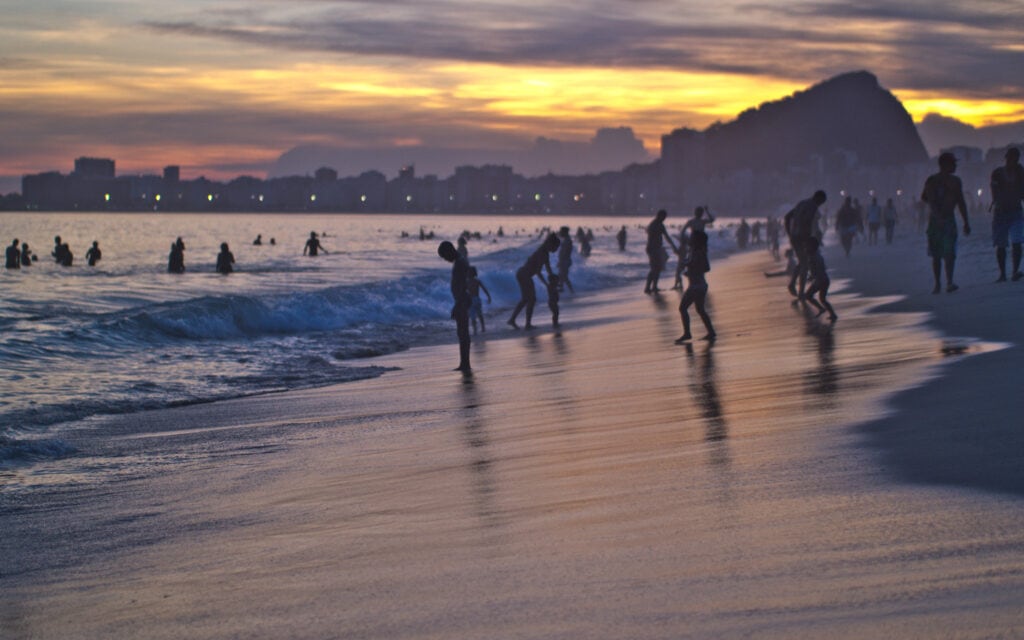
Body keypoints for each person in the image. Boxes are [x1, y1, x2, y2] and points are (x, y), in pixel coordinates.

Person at [921, 152, 971, 293]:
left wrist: (966, 221)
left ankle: (947, 282)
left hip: (944, 220)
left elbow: (961, 202)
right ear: (944, 165)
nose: (955, 165)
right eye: (953, 163)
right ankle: (939, 283)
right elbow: (928, 199)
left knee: (948, 253)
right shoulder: (933, 181)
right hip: (940, 221)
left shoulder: (954, 181)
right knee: (937, 254)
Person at [508, 232, 560, 329]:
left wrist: (552, 278)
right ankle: (527, 324)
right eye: (555, 247)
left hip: (522, 274)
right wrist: (546, 284)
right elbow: (538, 272)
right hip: (524, 275)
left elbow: (548, 269)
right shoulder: (542, 253)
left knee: (525, 299)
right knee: (531, 299)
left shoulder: (545, 252)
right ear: (550, 244)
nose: (555, 250)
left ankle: (512, 319)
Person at [784, 190, 827, 299]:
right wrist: (808, 239)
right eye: (821, 202)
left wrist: (789, 233)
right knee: (805, 264)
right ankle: (800, 292)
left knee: (803, 261)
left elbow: (787, 217)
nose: (820, 205)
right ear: (818, 198)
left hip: (794, 236)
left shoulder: (802, 203)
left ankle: (793, 284)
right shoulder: (813, 206)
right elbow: (806, 222)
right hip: (802, 238)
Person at [989, 147, 1024, 282]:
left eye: (1015, 158)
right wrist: (998, 201)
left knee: (1017, 242)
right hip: (1001, 213)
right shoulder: (997, 173)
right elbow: (994, 190)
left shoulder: (1020, 173)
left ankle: (1015, 271)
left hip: (1016, 212)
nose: (1013, 161)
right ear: (1006, 158)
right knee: (1001, 245)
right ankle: (1002, 274)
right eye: (1011, 158)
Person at [675, 229, 715, 343]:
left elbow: (705, 268)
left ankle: (687, 333)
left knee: (683, 308)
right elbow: (703, 267)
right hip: (700, 285)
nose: (689, 238)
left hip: (696, 286)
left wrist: (691, 269)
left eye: (691, 237)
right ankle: (711, 331)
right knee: (700, 310)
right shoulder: (695, 250)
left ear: (696, 240)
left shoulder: (698, 252)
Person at [437, 240, 472, 372]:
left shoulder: (460, 263)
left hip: (462, 300)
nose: (446, 260)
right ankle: (464, 362)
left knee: (463, 333)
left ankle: (465, 363)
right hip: (462, 300)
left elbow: (463, 285)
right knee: (462, 333)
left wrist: (457, 304)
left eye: (445, 256)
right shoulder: (460, 261)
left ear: (449, 251)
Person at [644, 209, 678, 294]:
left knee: (658, 268)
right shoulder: (654, 224)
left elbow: (666, 236)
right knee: (654, 268)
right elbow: (653, 237)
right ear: (660, 216)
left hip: (657, 248)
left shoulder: (659, 224)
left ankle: (654, 286)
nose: (664, 219)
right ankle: (648, 287)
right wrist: (673, 246)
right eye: (664, 217)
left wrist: (673, 246)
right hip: (652, 249)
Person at [803, 237, 837, 321]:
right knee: (822, 299)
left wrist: (811, 277)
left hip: (820, 281)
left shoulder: (812, 258)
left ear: (812, 247)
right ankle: (833, 314)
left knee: (808, 295)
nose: (805, 248)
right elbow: (822, 268)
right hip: (825, 280)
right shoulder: (817, 255)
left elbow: (815, 271)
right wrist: (812, 276)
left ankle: (821, 309)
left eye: (806, 246)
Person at [467, 265, 492, 334]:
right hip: (477, 299)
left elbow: (463, 292)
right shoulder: (477, 281)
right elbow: (484, 289)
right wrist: (489, 297)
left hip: (471, 300)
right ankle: (483, 327)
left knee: (473, 316)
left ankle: (475, 330)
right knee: (480, 314)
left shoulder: (466, 282)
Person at [556, 226, 575, 293]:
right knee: (562, 276)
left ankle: (571, 291)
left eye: (561, 231)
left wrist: (560, 261)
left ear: (564, 232)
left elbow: (564, 252)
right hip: (565, 261)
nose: (560, 232)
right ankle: (562, 289)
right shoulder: (567, 239)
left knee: (563, 277)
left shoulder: (567, 240)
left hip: (565, 261)